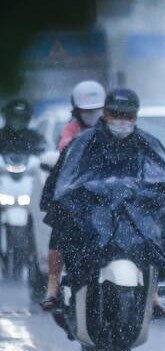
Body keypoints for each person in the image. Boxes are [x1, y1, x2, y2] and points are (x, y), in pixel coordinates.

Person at [41, 88, 165, 316]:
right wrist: (80, 197)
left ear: (136, 117)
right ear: (105, 114)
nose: (122, 121)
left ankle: (153, 290)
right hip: (92, 214)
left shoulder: (147, 143)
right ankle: (53, 286)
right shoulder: (83, 143)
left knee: (156, 232)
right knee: (62, 218)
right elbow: (65, 181)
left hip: (133, 214)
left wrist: (156, 198)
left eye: (128, 116)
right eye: (116, 114)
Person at [41, 81, 107, 310]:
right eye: (86, 110)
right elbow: (65, 153)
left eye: (96, 110)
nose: (91, 115)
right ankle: (53, 285)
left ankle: (152, 291)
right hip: (77, 196)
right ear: (76, 110)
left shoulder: (113, 129)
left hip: (108, 195)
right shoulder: (70, 130)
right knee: (59, 228)